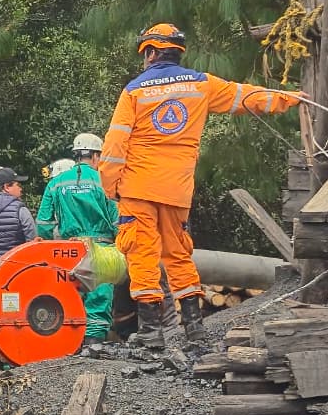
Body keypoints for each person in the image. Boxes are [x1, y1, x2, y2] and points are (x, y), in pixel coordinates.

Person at [102, 23, 303, 348]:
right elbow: (245, 96)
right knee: (179, 256)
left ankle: (152, 332)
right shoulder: (200, 84)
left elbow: (114, 144)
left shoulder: (134, 91)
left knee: (142, 256)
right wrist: (289, 99)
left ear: (151, 52)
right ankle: (194, 329)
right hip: (177, 191)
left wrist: (111, 186)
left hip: (138, 189)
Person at [37, 134, 120, 344]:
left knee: (70, 298)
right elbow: (117, 217)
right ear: (94, 155)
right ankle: (94, 346)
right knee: (99, 298)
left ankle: (72, 346)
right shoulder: (104, 180)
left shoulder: (56, 183)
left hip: (68, 250)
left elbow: (44, 224)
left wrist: (53, 244)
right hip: (102, 248)